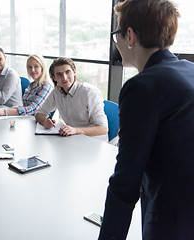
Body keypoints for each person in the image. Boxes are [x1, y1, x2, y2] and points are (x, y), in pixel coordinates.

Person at [98, 0, 194, 239]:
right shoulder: (189, 71)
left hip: (173, 223)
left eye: (117, 34)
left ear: (130, 35)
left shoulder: (142, 88)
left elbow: (126, 183)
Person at [35, 57, 108, 140]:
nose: (64, 77)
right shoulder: (56, 92)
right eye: (59, 74)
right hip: (72, 139)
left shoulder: (89, 92)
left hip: (94, 141)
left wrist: (75, 130)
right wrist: (44, 121)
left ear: (74, 72)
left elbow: (103, 129)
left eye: (67, 72)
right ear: (54, 77)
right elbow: (39, 113)